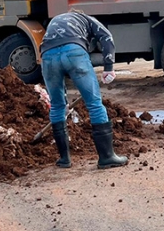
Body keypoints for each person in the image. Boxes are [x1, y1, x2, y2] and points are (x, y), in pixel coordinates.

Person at [40, 10, 127, 169]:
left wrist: (64, 99)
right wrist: (109, 68)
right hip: (74, 52)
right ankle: (107, 157)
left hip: (47, 55)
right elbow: (106, 37)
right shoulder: (88, 19)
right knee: (94, 104)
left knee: (57, 106)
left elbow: (57, 48)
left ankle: (64, 159)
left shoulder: (56, 20)